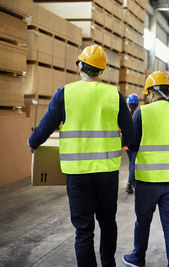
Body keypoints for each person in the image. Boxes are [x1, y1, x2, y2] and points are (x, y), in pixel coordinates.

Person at [28, 45, 135, 267]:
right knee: (107, 223)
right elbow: (131, 134)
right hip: (107, 172)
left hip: (78, 174)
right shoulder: (114, 95)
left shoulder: (65, 94)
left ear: (80, 66)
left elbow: (46, 127)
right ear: (102, 71)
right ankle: (108, 264)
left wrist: (33, 143)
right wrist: (117, 144)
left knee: (84, 229)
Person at [122, 71, 169, 267]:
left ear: (152, 93)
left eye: (147, 94)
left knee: (143, 221)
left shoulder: (142, 113)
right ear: (167, 90)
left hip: (147, 181)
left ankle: (138, 258)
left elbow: (131, 144)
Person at [125, 93, 140, 194]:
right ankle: (129, 184)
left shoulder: (125, 113)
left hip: (127, 144)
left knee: (131, 163)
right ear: (137, 103)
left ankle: (133, 182)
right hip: (134, 144)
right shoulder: (138, 113)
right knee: (133, 164)